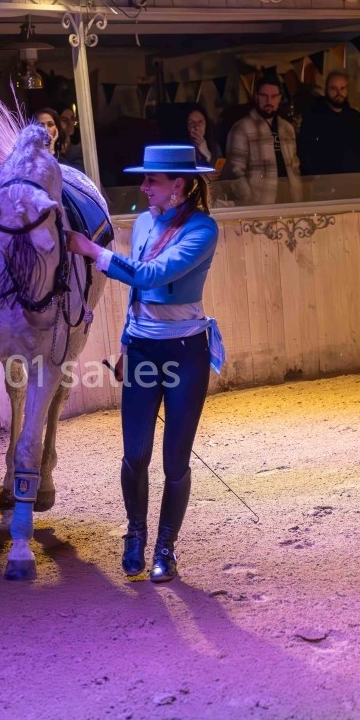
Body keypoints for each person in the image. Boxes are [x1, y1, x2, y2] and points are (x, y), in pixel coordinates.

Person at [65, 144, 225, 584]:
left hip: (184, 353)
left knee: (176, 460)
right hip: (141, 349)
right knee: (135, 453)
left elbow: (151, 275)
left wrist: (91, 251)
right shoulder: (139, 224)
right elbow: (136, 293)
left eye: (151, 180)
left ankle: (165, 548)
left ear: (179, 185)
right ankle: (135, 534)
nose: (143, 187)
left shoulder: (203, 230)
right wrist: (125, 345)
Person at [223, 75, 300, 205]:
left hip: (290, 200)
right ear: (256, 96)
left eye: (274, 96)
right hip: (259, 203)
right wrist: (249, 198)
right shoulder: (242, 128)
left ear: (280, 98)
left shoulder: (287, 128)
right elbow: (235, 171)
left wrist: (298, 193)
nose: (269, 100)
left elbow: (294, 166)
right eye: (264, 96)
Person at [297, 71, 360, 179]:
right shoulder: (314, 117)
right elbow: (305, 153)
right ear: (326, 90)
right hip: (325, 183)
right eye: (333, 88)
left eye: (342, 88)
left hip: (354, 182)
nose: (338, 92)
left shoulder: (354, 117)